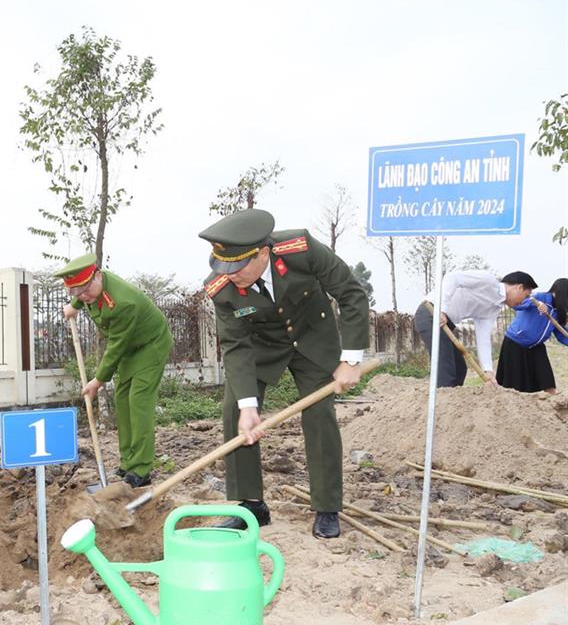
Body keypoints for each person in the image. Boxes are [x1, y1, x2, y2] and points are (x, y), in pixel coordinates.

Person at [199, 210, 368, 539]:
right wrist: (249, 406)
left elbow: (350, 293)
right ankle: (251, 506)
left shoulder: (300, 248)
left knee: (318, 413)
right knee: (235, 408)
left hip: (312, 336)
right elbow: (235, 344)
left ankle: (326, 506)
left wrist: (351, 359)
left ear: (263, 254)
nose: (231, 276)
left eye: (237, 268)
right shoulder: (220, 288)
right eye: (224, 269)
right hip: (263, 345)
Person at [56, 253, 174, 488]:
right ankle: (128, 462)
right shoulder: (90, 289)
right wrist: (74, 305)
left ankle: (141, 470)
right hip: (130, 348)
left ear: (98, 276)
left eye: (85, 291)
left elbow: (116, 346)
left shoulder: (122, 302)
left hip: (150, 345)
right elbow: (83, 292)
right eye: (76, 293)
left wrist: (97, 381)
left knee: (138, 402)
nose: (84, 297)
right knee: (122, 400)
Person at [414, 270, 518, 388]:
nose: (524, 301)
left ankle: (453, 402)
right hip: (432, 313)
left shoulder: (493, 309)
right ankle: (440, 403)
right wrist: (442, 309)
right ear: (518, 288)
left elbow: (483, 338)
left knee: (459, 369)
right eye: (526, 295)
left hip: (446, 323)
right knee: (446, 369)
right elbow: (452, 277)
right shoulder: (488, 281)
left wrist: (487, 370)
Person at [496, 274, 567, 393]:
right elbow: (519, 304)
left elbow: (561, 334)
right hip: (516, 342)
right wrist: (536, 303)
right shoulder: (539, 298)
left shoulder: (558, 312)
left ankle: (552, 396)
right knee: (515, 381)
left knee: (545, 374)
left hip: (536, 345)